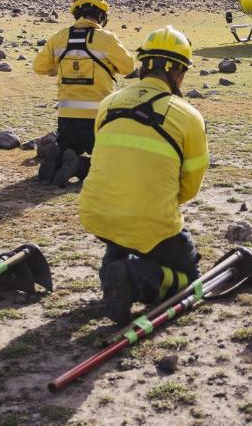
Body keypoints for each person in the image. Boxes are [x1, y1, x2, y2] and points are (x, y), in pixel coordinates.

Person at [79, 26, 209, 324]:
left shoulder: (108, 104)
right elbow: (189, 189)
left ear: (144, 64)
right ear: (178, 73)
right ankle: (133, 278)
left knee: (124, 235)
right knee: (190, 279)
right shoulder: (188, 117)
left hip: (97, 215)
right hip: (151, 221)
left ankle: (116, 264)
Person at [32, 0, 135, 186]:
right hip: (97, 119)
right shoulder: (106, 38)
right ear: (102, 15)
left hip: (67, 117)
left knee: (68, 146)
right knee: (108, 167)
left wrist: (60, 67)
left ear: (76, 14)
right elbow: (128, 66)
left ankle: (58, 159)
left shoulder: (59, 38)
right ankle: (79, 166)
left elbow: (39, 67)